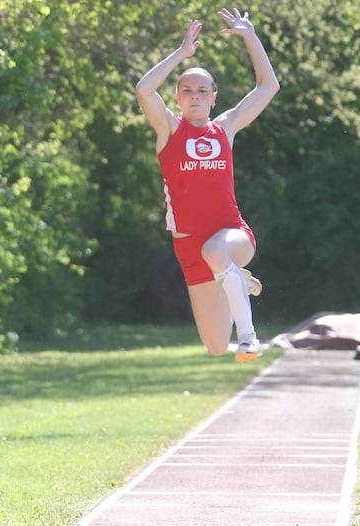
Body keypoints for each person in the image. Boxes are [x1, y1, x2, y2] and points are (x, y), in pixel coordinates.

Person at [135, 8, 279, 362]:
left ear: (214, 96)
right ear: (178, 97)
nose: (195, 95)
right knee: (215, 345)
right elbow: (143, 89)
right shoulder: (169, 130)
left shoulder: (225, 127)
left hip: (232, 237)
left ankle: (249, 336)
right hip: (189, 248)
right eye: (187, 90)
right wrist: (182, 53)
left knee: (216, 251)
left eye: (202, 90)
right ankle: (237, 281)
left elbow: (268, 86)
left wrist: (250, 36)